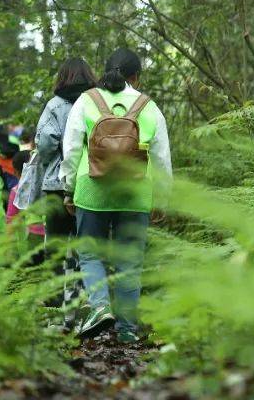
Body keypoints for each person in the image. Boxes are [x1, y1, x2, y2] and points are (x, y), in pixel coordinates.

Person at [61, 48, 172, 344]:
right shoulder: (149, 106)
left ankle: (99, 307)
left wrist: (68, 188)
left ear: (103, 71)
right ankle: (127, 330)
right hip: (135, 193)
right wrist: (162, 197)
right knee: (129, 261)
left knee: (89, 253)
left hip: (91, 188)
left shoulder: (87, 101)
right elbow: (162, 158)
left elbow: (71, 150)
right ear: (136, 76)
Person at [35, 58, 97, 316]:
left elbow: (46, 143)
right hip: (90, 180)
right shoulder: (96, 103)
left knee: (56, 245)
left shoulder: (55, 105)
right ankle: (88, 300)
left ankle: (53, 303)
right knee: (87, 244)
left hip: (57, 183)